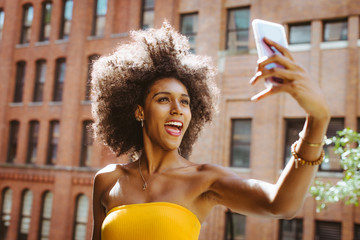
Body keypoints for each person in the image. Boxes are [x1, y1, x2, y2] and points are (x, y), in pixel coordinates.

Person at [90, 22, 330, 240]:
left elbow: (280, 204)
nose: (178, 110)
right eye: (163, 99)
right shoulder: (108, 179)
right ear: (139, 111)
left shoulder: (205, 180)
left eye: (185, 102)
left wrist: (318, 119)